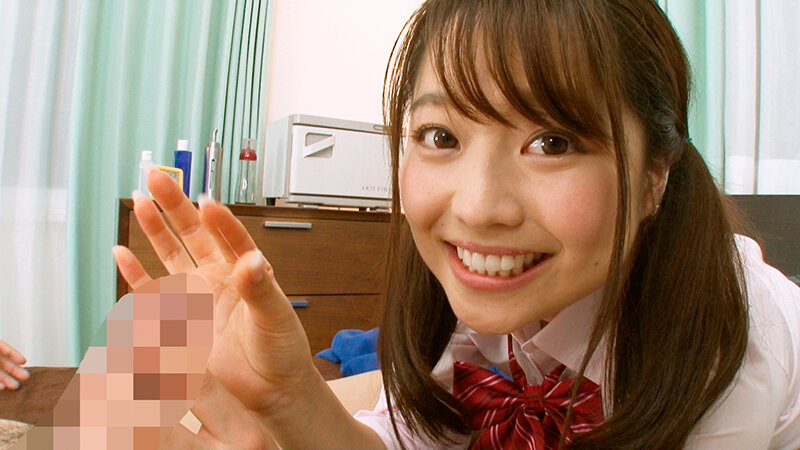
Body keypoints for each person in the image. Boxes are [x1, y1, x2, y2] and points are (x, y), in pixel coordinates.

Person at [114, 0, 800, 448]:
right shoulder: (471, 306)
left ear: (654, 178)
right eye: (441, 136)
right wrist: (293, 398)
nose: (477, 208)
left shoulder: (733, 340)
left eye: (553, 143)